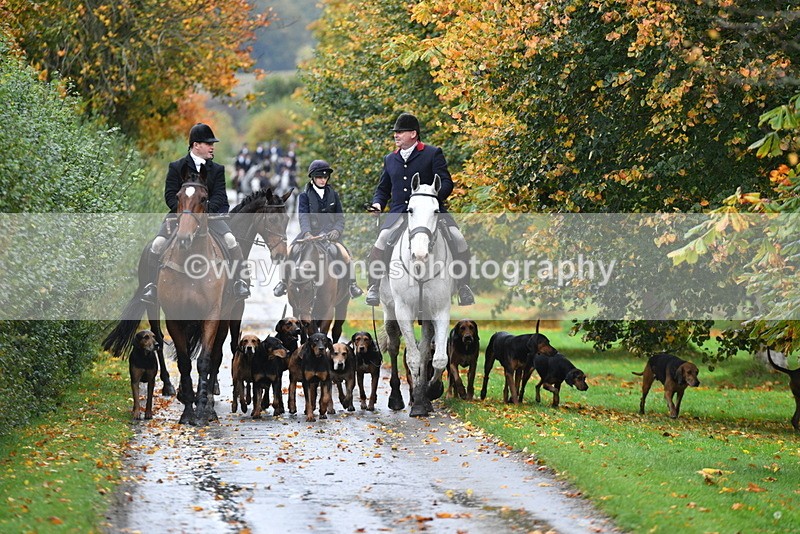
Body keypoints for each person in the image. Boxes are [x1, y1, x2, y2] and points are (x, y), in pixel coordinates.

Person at [364, 112, 475, 306]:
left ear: (413, 134)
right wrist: (378, 204)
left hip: (429, 211)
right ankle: (374, 286)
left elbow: (447, 182)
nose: (396, 135)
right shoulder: (390, 159)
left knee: (458, 238)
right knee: (381, 240)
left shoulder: (432, 153)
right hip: (400, 212)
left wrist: (431, 199)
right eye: (395, 133)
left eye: (400, 132)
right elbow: (383, 189)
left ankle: (463, 286)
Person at [140, 123, 251, 304]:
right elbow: (169, 195)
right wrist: (186, 212)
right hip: (180, 217)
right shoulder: (177, 167)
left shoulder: (217, 169)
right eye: (208, 143)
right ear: (196, 145)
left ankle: (238, 282)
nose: (212, 147)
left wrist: (202, 211)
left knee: (231, 240)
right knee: (157, 245)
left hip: (210, 218)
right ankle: (152, 286)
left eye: (212, 144)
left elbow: (220, 197)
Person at [272, 160, 363, 299]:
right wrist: (307, 232)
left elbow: (340, 218)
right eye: (320, 177)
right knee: (290, 251)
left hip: (330, 236)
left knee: (345, 255)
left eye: (325, 177)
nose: (323, 180)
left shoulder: (334, 195)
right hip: (309, 234)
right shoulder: (304, 196)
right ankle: (283, 282)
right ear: (313, 178)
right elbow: (303, 217)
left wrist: (336, 231)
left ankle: (352, 285)